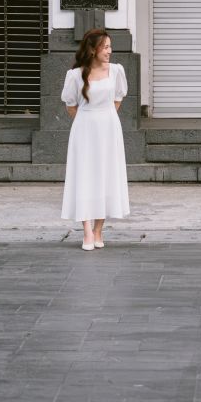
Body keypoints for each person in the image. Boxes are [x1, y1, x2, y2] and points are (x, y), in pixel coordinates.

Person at [61, 28, 130, 250]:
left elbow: (117, 98)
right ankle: (87, 232)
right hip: (84, 130)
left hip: (109, 129)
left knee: (106, 175)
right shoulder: (75, 75)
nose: (109, 51)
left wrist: (105, 118)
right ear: (92, 49)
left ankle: (99, 230)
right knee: (85, 176)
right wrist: (87, 120)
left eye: (110, 47)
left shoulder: (116, 71)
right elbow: (71, 105)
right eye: (105, 47)